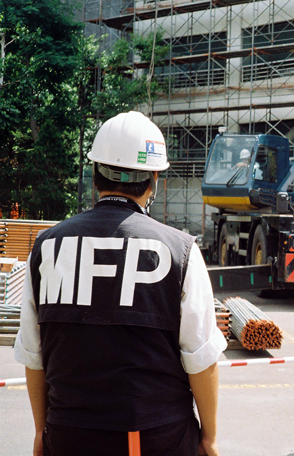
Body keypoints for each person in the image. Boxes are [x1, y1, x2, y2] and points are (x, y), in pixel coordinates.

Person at [14, 111, 228, 456]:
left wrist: (42, 431)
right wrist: (210, 438)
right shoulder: (180, 250)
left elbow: (33, 353)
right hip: (153, 438)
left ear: (95, 172)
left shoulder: (47, 246)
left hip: (69, 435)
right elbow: (201, 358)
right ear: (153, 179)